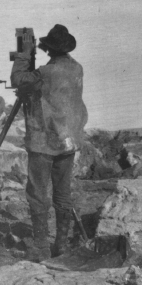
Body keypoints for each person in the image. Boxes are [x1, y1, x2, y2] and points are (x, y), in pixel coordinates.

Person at [10, 23, 88, 261]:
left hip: (44, 142)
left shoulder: (45, 72)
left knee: (38, 193)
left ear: (49, 49)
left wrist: (23, 50)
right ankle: (61, 246)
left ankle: (41, 246)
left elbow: (17, 79)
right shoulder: (77, 68)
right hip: (69, 140)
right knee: (62, 194)